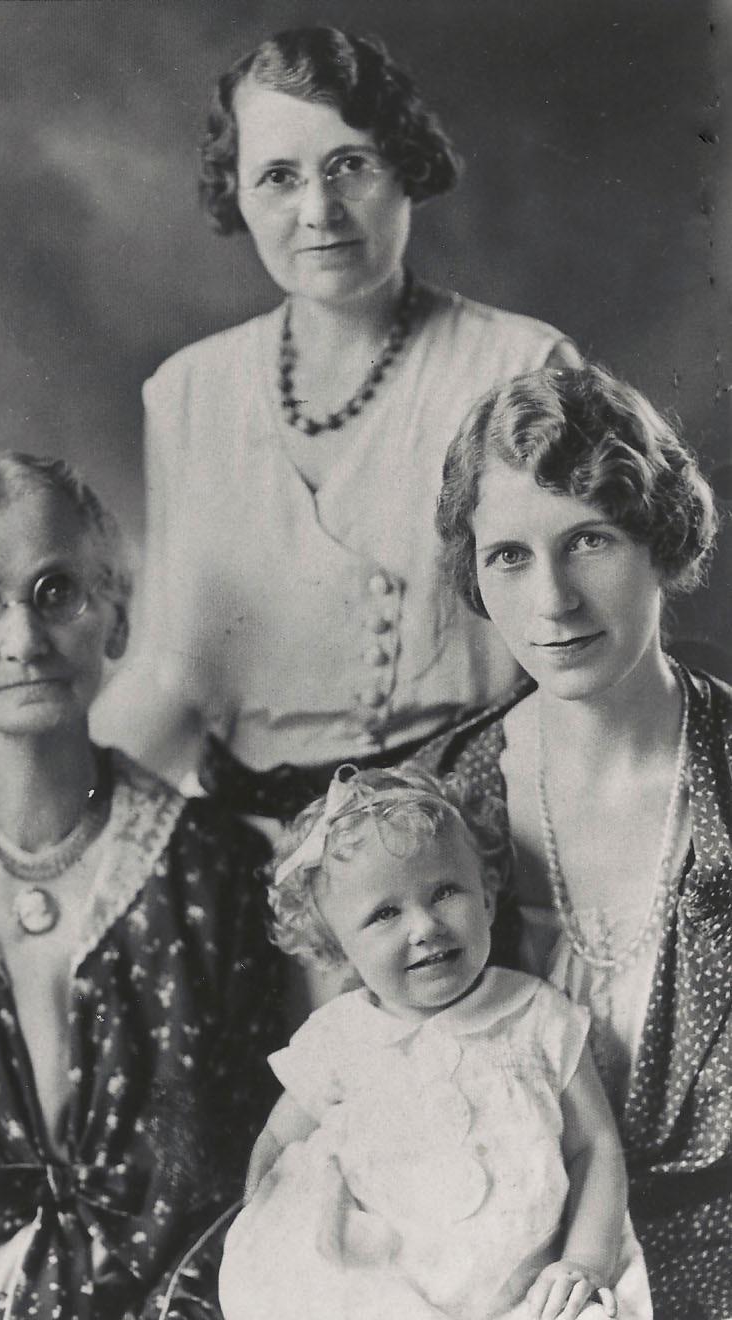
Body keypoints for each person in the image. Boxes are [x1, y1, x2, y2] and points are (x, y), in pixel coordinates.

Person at [0, 454, 283, 1320]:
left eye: (57, 592)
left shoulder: (213, 867)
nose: (24, 641)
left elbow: (264, 1165)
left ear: (115, 622)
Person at [92, 25, 580, 823]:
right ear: (236, 193)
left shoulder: (516, 367)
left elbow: (581, 634)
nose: (317, 211)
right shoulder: (187, 393)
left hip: (474, 827)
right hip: (249, 839)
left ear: (404, 168)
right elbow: (170, 675)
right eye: (278, 177)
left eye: (348, 165)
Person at [409, 363, 730, 1319]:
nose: (551, 601)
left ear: (660, 542)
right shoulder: (434, 803)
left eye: (587, 540)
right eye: (508, 555)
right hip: (498, 1275)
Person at [217, 766, 652, 1320]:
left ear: (488, 894)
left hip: (528, 1294)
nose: (424, 926)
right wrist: (269, 1239)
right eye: (384, 914)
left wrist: (584, 1262)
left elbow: (596, 1147)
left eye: (445, 891)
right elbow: (276, 1148)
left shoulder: (539, 1016)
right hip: (387, 1297)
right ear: (337, 947)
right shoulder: (340, 1039)